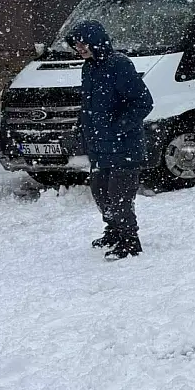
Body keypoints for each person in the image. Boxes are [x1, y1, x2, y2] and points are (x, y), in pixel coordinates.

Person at [66, 20, 154, 260]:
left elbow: (143, 102)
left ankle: (130, 240)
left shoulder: (120, 65)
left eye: (83, 44)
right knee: (100, 191)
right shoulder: (89, 68)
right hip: (99, 146)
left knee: (119, 194)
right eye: (76, 45)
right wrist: (82, 130)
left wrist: (118, 128)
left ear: (96, 41)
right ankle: (114, 230)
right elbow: (89, 105)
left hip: (124, 145)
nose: (80, 49)